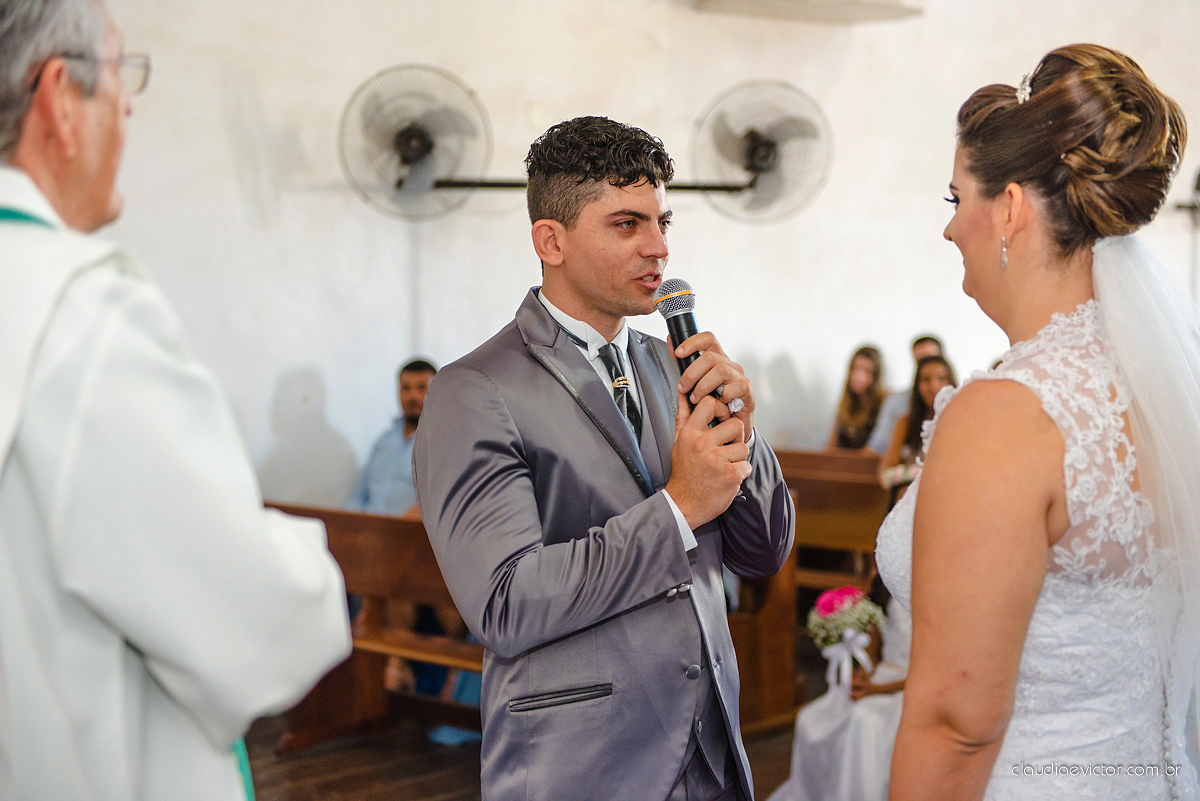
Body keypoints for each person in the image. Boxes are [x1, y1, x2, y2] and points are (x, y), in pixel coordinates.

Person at [0, 1, 352, 798]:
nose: (128, 104)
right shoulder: (79, 312)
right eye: (122, 75)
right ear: (60, 98)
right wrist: (303, 558)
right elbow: (260, 625)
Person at [412, 116, 795, 801]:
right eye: (626, 224)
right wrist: (679, 508)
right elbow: (505, 604)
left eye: (662, 221)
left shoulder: (668, 360)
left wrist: (745, 429)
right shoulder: (474, 390)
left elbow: (763, 551)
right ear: (550, 240)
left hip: (711, 744)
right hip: (584, 760)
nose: (658, 249)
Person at [875, 43, 1200, 799]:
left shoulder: (1008, 416)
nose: (951, 231)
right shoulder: (1157, 389)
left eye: (957, 200)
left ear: (1012, 208)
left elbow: (958, 725)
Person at [767, 598, 910, 801]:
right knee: (810, 717)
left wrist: (875, 690)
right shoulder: (885, 588)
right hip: (881, 675)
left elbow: (930, 673)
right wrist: (862, 675)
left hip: (908, 685)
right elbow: (875, 647)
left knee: (864, 718)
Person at [346, 358, 436, 516]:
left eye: (422, 388)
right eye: (405, 388)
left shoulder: (443, 444)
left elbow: (437, 503)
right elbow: (359, 494)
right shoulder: (384, 441)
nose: (412, 396)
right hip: (366, 531)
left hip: (408, 535)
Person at [878, 355, 956, 499]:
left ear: (951, 382)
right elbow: (886, 472)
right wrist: (915, 474)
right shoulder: (906, 422)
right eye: (926, 379)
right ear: (917, 385)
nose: (934, 386)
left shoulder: (960, 421)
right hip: (910, 494)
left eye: (941, 378)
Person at [865, 335, 942, 457]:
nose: (933, 386)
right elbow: (877, 447)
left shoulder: (961, 404)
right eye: (920, 362)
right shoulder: (898, 408)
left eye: (930, 360)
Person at [825, 345, 886, 451]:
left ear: (876, 375)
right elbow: (831, 446)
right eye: (855, 368)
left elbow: (877, 448)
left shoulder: (884, 403)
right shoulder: (844, 404)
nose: (859, 376)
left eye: (867, 371)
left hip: (868, 465)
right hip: (839, 464)